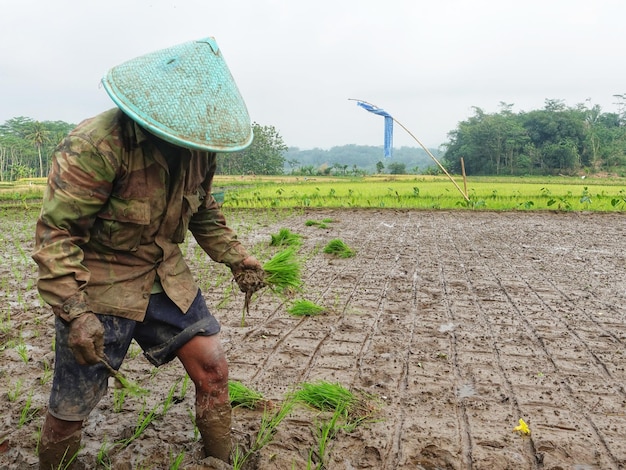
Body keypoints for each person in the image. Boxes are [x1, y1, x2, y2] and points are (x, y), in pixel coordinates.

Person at [32, 37, 265, 469]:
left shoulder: (200, 148)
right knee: (71, 407)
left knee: (213, 370)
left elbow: (204, 210)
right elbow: (56, 235)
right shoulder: (96, 145)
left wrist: (236, 257)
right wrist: (74, 310)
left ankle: (220, 459)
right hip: (99, 284)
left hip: (167, 276)